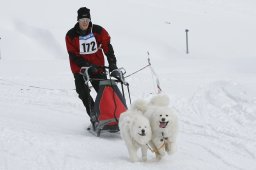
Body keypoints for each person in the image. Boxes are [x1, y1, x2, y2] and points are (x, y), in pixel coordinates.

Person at [65, 7, 118, 124]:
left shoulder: (98, 31)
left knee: (103, 92)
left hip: (97, 68)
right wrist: (87, 65)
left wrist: (113, 64)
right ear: (78, 20)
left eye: (87, 19)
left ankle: (112, 117)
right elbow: (73, 55)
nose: (85, 22)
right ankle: (94, 115)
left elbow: (107, 47)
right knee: (82, 92)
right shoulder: (71, 35)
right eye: (82, 19)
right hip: (80, 69)